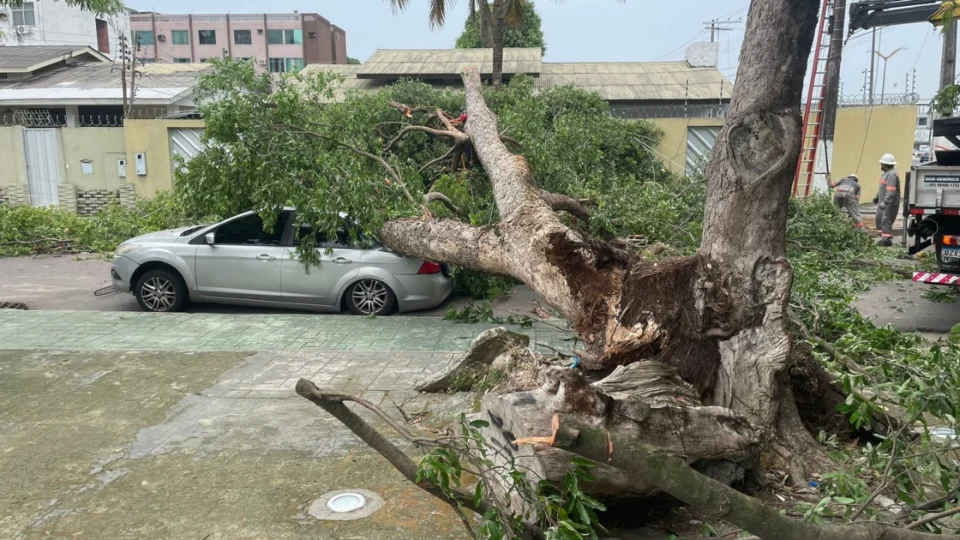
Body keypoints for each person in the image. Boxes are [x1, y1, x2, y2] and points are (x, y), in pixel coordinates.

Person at [872, 153, 900, 247]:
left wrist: (885, 202)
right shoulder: (886, 174)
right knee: (880, 219)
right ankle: (884, 238)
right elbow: (883, 188)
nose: (881, 165)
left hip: (889, 203)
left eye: (881, 164)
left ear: (884, 165)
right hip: (884, 201)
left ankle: (886, 240)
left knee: (886, 220)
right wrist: (877, 197)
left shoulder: (891, 174)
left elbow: (891, 191)